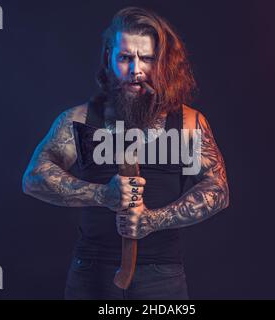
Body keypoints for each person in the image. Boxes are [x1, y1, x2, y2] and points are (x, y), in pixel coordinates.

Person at [22, 7, 229, 300]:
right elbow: (33, 178)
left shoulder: (188, 123)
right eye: (125, 58)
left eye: (146, 58)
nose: (136, 70)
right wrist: (103, 195)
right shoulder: (79, 120)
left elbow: (218, 189)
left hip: (162, 276)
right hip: (91, 273)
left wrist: (154, 219)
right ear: (109, 58)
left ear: (163, 62)